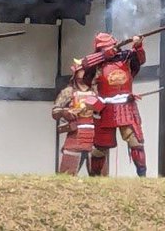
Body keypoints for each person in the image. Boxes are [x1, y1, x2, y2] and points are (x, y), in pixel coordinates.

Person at [81, 32, 146, 176]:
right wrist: (105, 56)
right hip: (104, 108)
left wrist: (138, 46)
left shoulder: (127, 58)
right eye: (104, 48)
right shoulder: (96, 64)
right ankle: (94, 177)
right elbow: (85, 71)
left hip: (125, 106)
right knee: (99, 147)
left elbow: (139, 60)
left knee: (135, 141)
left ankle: (142, 176)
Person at [52, 58, 97, 175]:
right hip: (75, 134)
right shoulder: (68, 92)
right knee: (66, 175)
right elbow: (55, 111)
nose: (85, 73)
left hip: (95, 135)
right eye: (82, 71)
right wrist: (65, 113)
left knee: (101, 177)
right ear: (76, 73)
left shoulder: (96, 91)